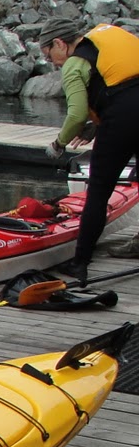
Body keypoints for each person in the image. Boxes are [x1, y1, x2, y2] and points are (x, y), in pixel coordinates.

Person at [39, 16, 139, 279]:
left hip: (122, 121)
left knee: (98, 190)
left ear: (60, 43)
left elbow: (75, 115)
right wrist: (96, 124)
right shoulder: (106, 39)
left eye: (49, 55)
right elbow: (120, 85)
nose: (51, 62)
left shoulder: (74, 64)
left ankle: (80, 263)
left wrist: (59, 144)